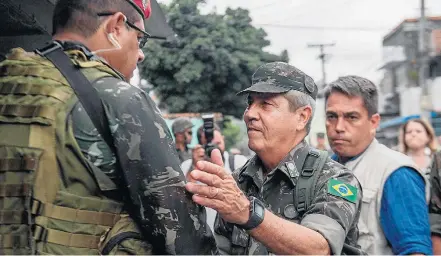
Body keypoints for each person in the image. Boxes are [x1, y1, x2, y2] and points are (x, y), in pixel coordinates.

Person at [0, 0, 216, 254]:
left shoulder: (9, 82)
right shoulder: (119, 98)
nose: (141, 53)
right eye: (140, 39)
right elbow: (180, 234)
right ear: (115, 27)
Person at [185, 62, 364, 255]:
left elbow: (318, 249)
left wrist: (247, 213)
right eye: (250, 103)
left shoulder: (335, 179)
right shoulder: (238, 183)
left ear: (302, 116)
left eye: (265, 104)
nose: (250, 114)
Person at [324, 75, 432, 255]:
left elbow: (414, 250)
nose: (339, 127)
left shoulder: (396, 173)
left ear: (373, 122)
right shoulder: (325, 168)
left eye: (351, 117)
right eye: (332, 116)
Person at [181, 124, 248, 231]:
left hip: (232, 233)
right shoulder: (187, 165)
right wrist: (194, 166)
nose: (215, 149)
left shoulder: (238, 162)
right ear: (200, 145)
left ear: (223, 139)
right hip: (200, 231)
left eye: (218, 143)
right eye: (210, 145)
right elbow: (183, 200)